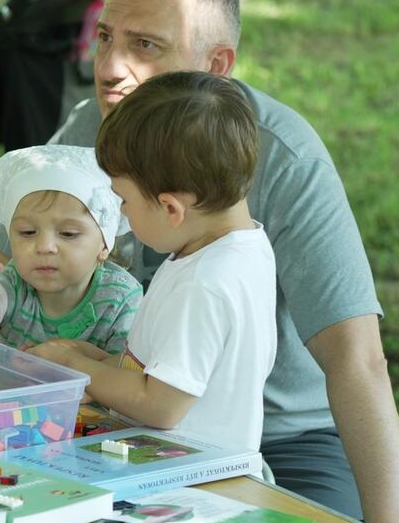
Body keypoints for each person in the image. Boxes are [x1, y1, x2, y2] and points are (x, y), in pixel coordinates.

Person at [0, 0, 399, 523]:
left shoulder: (281, 153)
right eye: (104, 36)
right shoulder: (89, 128)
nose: (109, 67)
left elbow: (355, 356)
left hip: (276, 432)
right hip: (113, 410)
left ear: (215, 66)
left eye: (145, 45)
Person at [30, 71, 276, 453]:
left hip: (187, 483)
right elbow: (180, 367)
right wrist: (100, 361)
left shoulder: (205, 282)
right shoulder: (237, 246)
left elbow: (160, 404)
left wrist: (76, 367)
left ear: (170, 208)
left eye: (123, 201)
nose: (121, 213)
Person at [0, 144, 141, 354]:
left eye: (68, 234)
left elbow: (126, 372)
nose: (45, 247)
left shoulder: (120, 300)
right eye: (28, 232)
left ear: (104, 245)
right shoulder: (17, 284)